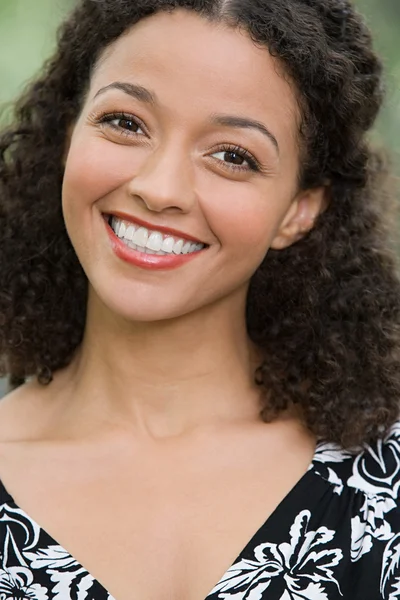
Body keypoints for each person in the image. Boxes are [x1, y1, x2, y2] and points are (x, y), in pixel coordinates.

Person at [0, 0, 399, 597]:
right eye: (126, 122)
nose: (159, 189)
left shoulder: (387, 483)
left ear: (299, 210)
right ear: (67, 136)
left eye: (233, 156)